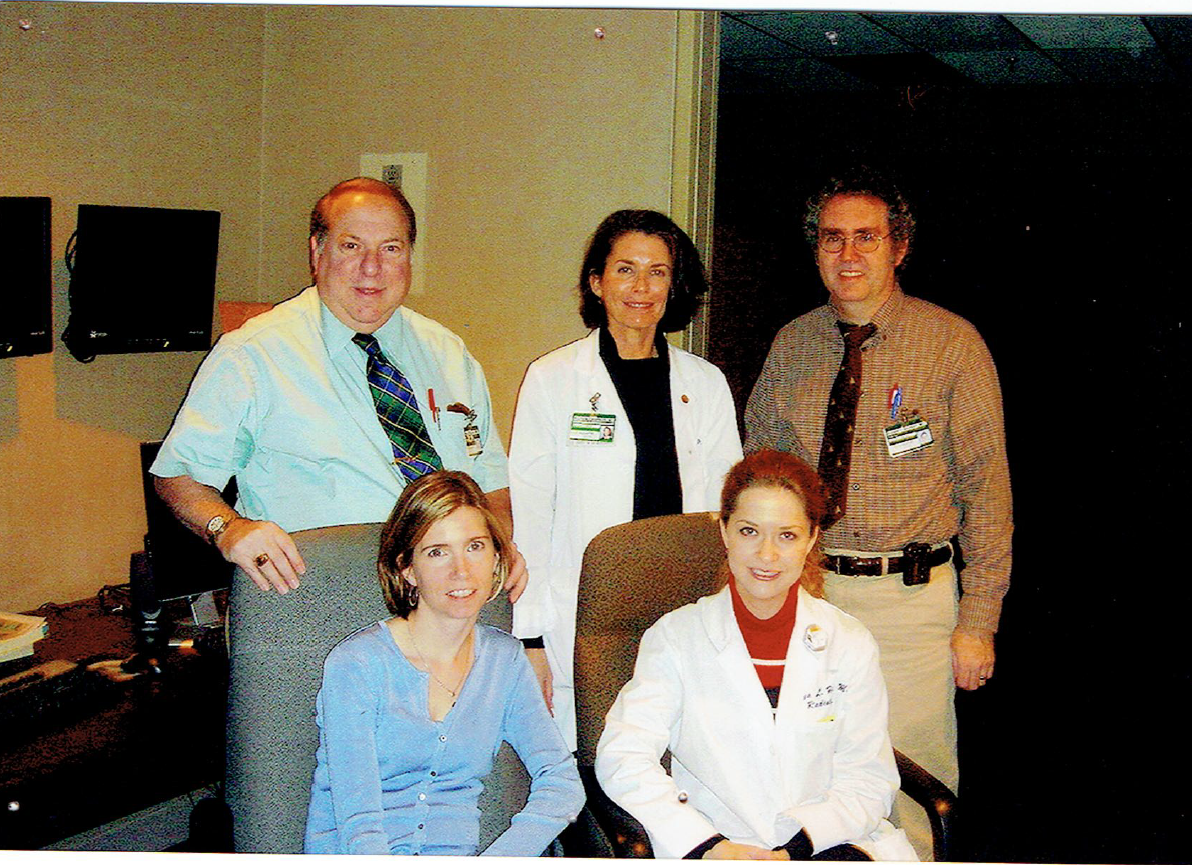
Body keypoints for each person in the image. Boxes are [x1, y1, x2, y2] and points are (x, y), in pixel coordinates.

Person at [744, 166, 1012, 856]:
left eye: (867, 236)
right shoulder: (791, 346)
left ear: (899, 247)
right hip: (811, 595)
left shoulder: (952, 344)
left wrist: (978, 622)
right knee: (807, 770)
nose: (849, 253)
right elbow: (760, 479)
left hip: (911, 603)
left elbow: (987, 493)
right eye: (832, 238)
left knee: (911, 781)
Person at [150, 177, 524, 599]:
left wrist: (499, 548)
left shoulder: (448, 353)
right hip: (322, 598)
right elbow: (177, 474)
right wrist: (229, 529)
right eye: (351, 246)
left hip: (447, 603)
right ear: (317, 252)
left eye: (391, 248)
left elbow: (490, 480)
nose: (371, 267)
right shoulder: (253, 355)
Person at [595, 450, 915, 861]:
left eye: (787, 535)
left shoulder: (849, 641)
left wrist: (796, 848)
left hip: (827, 842)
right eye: (749, 531)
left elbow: (868, 777)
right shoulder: (676, 638)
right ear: (724, 530)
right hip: (720, 844)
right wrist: (706, 844)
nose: (767, 554)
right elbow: (624, 756)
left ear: (812, 539)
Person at [509, 209, 742, 749]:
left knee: (680, 755)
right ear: (597, 281)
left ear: (674, 285)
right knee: (591, 757)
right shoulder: (553, 379)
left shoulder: (706, 384)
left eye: (658, 272)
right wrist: (531, 638)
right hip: (589, 615)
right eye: (625, 270)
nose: (641, 288)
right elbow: (532, 514)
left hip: (684, 606)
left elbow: (728, 514)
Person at [303, 470, 583, 856]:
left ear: (497, 556)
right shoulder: (357, 664)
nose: (461, 570)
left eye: (475, 547)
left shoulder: (504, 661)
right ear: (407, 568)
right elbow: (360, 824)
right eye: (437, 552)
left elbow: (563, 782)